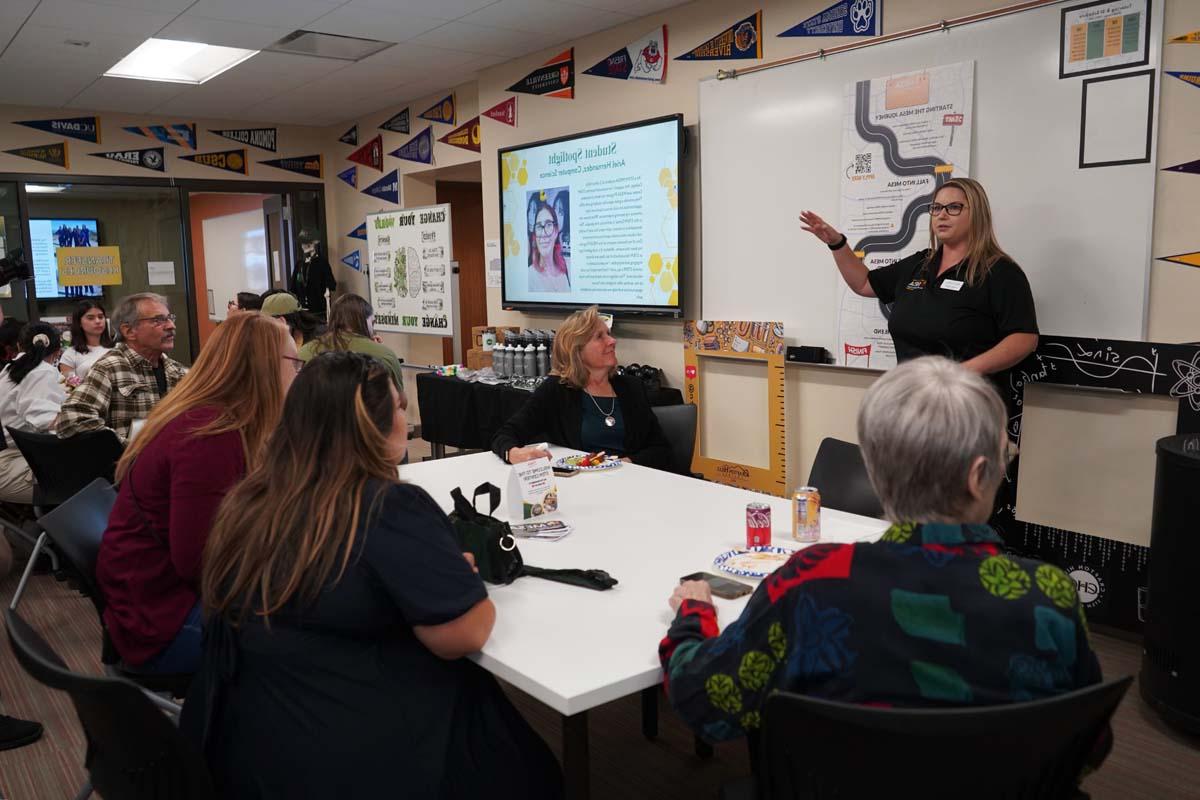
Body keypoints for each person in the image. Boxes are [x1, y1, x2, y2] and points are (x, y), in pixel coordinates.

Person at [659, 357, 1102, 768]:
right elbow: (1089, 745)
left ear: (875, 471)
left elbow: (706, 704)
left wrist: (693, 614)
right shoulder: (1049, 595)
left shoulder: (812, 581)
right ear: (977, 475)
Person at [181, 352, 562, 799]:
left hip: (249, 744)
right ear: (371, 427)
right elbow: (465, 632)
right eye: (400, 407)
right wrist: (458, 577)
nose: (407, 417)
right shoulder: (387, 506)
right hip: (362, 751)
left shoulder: (248, 501)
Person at [96, 313, 298, 674]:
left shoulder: (216, 421)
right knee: (327, 642)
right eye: (295, 363)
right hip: (163, 621)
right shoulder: (209, 436)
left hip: (155, 599)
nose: (299, 375)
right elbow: (204, 564)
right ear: (264, 367)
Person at [800, 178, 1038, 381]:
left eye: (954, 207)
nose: (942, 215)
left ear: (977, 214)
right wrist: (837, 243)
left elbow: (1024, 338)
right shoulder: (920, 264)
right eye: (936, 207)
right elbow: (863, 283)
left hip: (968, 405)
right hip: (914, 399)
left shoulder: (1000, 272)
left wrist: (962, 373)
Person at [491, 305, 672, 470]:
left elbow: (660, 448)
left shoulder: (631, 388)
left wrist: (624, 464)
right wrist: (514, 453)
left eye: (608, 334)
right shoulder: (556, 390)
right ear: (576, 350)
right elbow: (505, 435)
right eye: (600, 337)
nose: (612, 341)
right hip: (579, 486)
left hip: (631, 481)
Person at [56, 293, 186, 442]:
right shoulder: (109, 368)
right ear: (129, 331)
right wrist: (130, 448)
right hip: (131, 462)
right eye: (158, 320)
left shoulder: (176, 370)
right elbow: (71, 421)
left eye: (170, 318)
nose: (171, 326)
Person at [0, 323, 66, 505]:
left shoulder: (10, 369)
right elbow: (45, 420)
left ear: (20, 346)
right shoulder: (42, 371)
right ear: (58, 351)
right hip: (11, 464)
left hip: (8, 458)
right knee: (91, 479)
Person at [298, 293, 403, 390]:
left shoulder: (304, 353)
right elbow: (401, 402)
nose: (373, 330)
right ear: (364, 321)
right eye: (372, 323)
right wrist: (378, 350)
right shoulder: (385, 356)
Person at [59, 299, 114, 383]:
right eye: (90, 318)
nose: (98, 321)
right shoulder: (70, 355)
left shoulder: (116, 348)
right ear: (79, 323)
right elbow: (70, 387)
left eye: (101, 317)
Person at [291, 229, 336, 320]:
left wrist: (327, 292)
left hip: (319, 310)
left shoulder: (322, 263)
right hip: (302, 310)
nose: (304, 246)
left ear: (313, 244)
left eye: (307, 243)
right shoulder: (299, 264)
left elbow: (331, 284)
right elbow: (293, 287)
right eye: (302, 243)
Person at [528, 199, 571, 293]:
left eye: (548, 225)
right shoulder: (529, 275)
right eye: (539, 226)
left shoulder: (563, 272)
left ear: (556, 231)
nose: (543, 233)